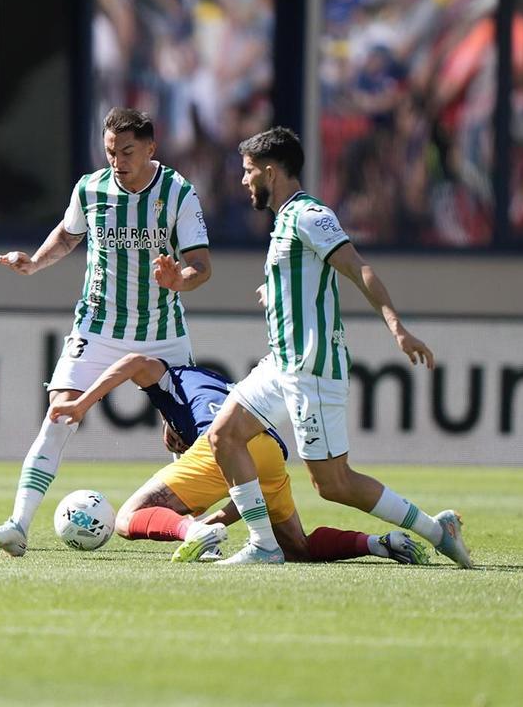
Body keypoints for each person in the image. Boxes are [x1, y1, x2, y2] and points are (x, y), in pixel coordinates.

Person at [188, 126, 471, 566]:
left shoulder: (309, 214)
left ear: (269, 171)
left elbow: (359, 269)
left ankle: (438, 529)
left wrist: (397, 327)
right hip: (281, 363)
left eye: (247, 172)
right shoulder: (283, 220)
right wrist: (275, 291)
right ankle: (264, 545)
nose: (243, 180)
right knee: (224, 435)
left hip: (311, 367)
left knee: (333, 483)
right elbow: (302, 279)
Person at [0, 107, 212, 556]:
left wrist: (179, 279)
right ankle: (18, 525)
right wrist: (34, 262)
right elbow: (68, 235)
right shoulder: (91, 188)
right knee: (60, 412)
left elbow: (201, 265)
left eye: (126, 151)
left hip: (161, 330)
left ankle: (200, 531)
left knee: (185, 437)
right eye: (109, 152)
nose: (117, 160)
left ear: (150, 148)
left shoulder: (178, 192)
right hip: (99, 325)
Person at [49, 355, 429, 565]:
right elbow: (247, 496)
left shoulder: (172, 377)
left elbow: (133, 363)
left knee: (128, 518)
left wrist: (82, 403)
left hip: (225, 441)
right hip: (268, 449)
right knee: (297, 548)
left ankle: (193, 535)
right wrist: (214, 519)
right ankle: (380, 543)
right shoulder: (213, 385)